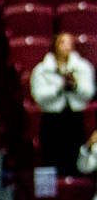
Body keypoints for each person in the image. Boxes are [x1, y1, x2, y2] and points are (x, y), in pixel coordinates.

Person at [29, 33, 94, 175]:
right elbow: (38, 96)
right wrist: (59, 89)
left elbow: (89, 92)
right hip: (51, 120)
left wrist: (75, 87)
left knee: (74, 163)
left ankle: (72, 192)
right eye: (62, 42)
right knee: (48, 160)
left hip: (74, 120)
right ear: (55, 46)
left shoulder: (83, 67)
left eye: (70, 43)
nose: (66, 46)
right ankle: (46, 196)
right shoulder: (41, 70)